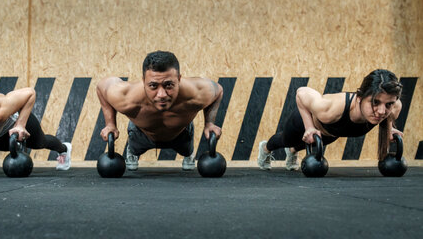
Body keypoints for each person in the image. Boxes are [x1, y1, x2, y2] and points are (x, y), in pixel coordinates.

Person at [96, 50, 223, 170]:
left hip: (181, 134)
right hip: (142, 134)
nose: (161, 94)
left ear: (179, 79)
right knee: (135, 144)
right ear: (143, 81)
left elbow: (218, 91)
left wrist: (209, 123)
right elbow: (102, 87)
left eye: (168, 85)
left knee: (186, 148)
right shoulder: (126, 96)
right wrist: (110, 124)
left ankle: (188, 154)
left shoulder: (198, 92)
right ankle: (133, 152)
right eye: (153, 86)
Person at [257, 69, 403, 170]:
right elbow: (301, 93)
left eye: (388, 104)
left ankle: (293, 152)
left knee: (308, 144)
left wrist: (389, 128)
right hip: (305, 121)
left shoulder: (394, 108)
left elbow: (389, 112)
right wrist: (309, 127)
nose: (382, 111)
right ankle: (265, 148)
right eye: (375, 102)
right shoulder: (330, 109)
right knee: (285, 140)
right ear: (359, 97)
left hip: (330, 133)